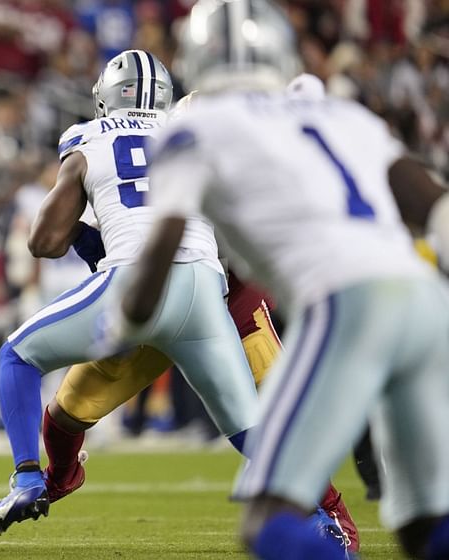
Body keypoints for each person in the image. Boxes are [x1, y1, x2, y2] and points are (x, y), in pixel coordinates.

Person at [111, 1, 449, 558]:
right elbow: (435, 208)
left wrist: (127, 317)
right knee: (422, 525)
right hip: (424, 299)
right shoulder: (345, 116)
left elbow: (165, 238)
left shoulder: (194, 126)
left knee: (271, 522)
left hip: (349, 301)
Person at [0, 49, 259, 535]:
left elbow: (43, 242)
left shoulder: (86, 138)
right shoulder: (192, 133)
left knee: (15, 358)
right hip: (207, 288)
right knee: (255, 435)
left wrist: (87, 230)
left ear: (105, 97)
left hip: (134, 281)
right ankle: (324, 519)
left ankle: (26, 478)